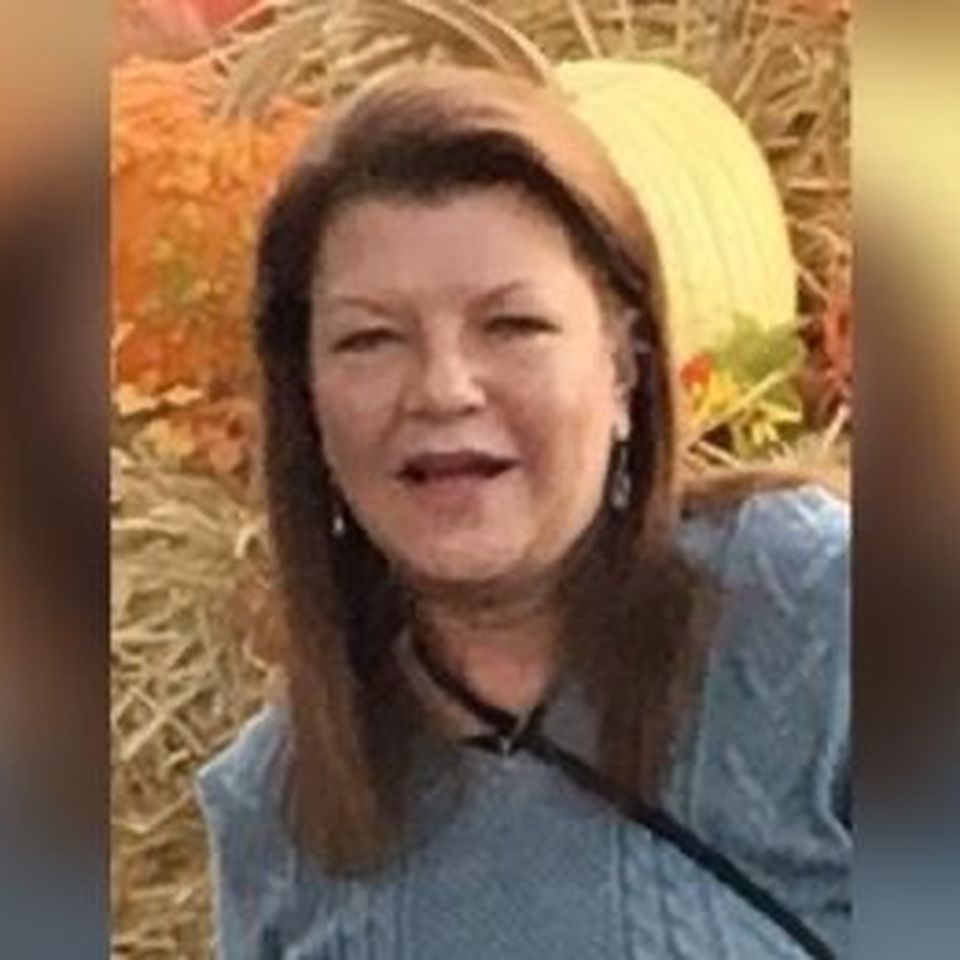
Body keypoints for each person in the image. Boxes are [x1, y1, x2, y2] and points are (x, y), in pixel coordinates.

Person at [196, 65, 850, 959]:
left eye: (512, 326)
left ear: (624, 367)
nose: (443, 389)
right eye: (370, 339)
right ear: (305, 398)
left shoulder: (823, 622)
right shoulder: (277, 813)